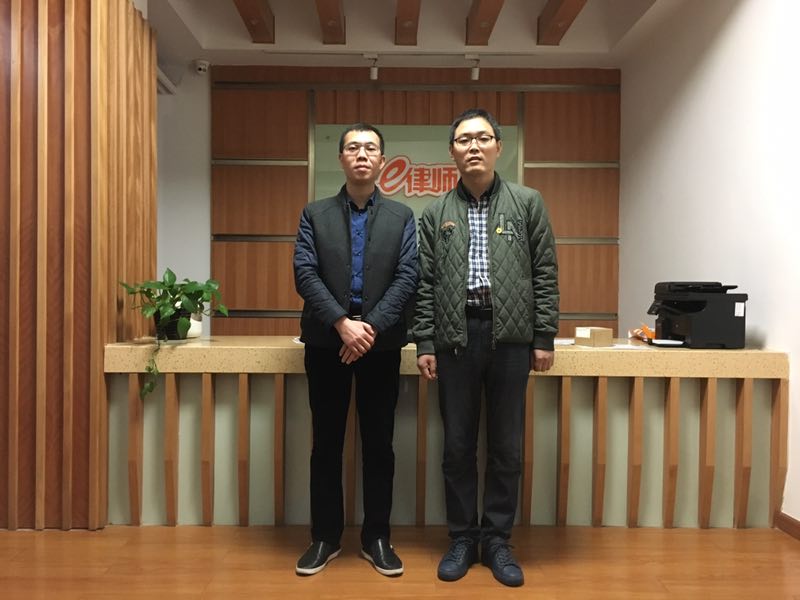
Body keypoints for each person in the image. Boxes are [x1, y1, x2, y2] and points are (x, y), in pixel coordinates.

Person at [413, 108, 559, 587]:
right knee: (457, 446)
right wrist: (425, 341)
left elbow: (545, 272)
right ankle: (462, 537)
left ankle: (496, 540)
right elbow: (425, 283)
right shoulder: (435, 213)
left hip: (511, 341)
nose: (473, 147)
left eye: (482, 138)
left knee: (506, 447)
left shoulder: (527, 202)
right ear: (452, 151)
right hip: (455, 340)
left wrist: (543, 336)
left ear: (499, 146)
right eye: (463, 140)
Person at [293, 123, 418, 577]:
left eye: (370, 148)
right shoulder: (314, 214)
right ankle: (325, 537)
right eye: (353, 147)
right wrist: (342, 324)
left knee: (379, 444)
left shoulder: (402, 216)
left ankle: (376, 537)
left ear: (382, 160)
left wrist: (369, 328)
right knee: (326, 443)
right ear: (341, 158)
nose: (362, 154)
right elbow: (304, 273)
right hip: (327, 342)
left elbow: (408, 275)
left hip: (380, 346)